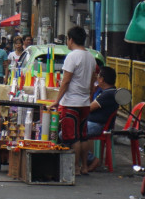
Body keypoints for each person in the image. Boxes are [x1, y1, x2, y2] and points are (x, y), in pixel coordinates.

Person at [49, 26, 97, 176]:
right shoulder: (90, 57)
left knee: (73, 137)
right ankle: (84, 167)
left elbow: (66, 81)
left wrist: (57, 101)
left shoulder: (72, 56)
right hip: (84, 103)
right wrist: (89, 96)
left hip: (71, 103)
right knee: (83, 136)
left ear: (70, 39)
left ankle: (75, 167)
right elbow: (92, 80)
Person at [85, 66, 118, 173]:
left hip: (98, 125)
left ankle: (92, 159)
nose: (97, 78)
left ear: (102, 79)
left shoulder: (108, 94)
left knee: (70, 133)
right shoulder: (104, 92)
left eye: (98, 76)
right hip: (93, 123)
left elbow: (88, 108)